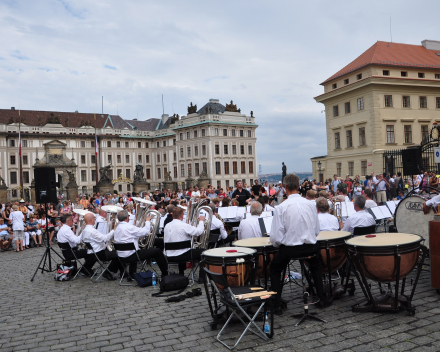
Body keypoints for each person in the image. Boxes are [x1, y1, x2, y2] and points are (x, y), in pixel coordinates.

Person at [270, 174, 331, 314]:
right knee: (316, 266)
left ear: (285, 188)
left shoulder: (281, 207)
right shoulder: (310, 205)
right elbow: (316, 230)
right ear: (298, 186)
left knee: (275, 269)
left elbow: (276, 238)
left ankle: (277, 304)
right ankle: (321, 298)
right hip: (310, 247)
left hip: (290, 250)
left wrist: (281, 244)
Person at [113, 210, 168, 280]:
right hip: (132, 255)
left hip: (121, 256)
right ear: (127, 217)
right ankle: (165, 273)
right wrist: (147, 221)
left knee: (135, 250)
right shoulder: (129, 227)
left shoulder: (117, 228)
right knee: (158, 251)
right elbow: (145, 232)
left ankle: (132, 274)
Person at [164, 206, 205, 277]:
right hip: (182, 256)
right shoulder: (184, 225)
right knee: (203, 252)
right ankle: (202, 277)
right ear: (182, 215)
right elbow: (198, 232)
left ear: (173, 215)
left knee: (182, 249)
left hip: (168, 256)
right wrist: (201, 221)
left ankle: (181, 273)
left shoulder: (167, 225)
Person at [81, 213, 124, 280]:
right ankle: (107, 272)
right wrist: (113, 230)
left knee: (115, 253)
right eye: (94, 218)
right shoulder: (92, 231)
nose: (95, 220)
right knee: (118, 254)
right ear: (92, 220)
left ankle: (123, 272)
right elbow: (105, 239)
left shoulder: (85, 230)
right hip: (98, 253)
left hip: (92, 253)